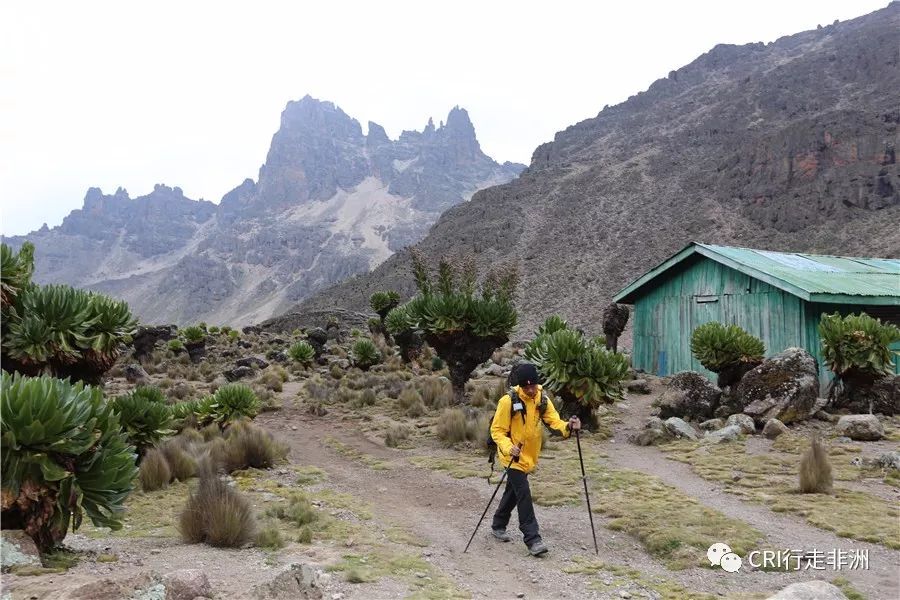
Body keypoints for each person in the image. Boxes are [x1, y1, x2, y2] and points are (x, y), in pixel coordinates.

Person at [489, 362, 580, 556]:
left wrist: (569, 427)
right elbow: (496, 431)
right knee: (523, 493)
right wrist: (508, 448)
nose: (530, 390)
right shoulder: (507, 401)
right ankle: (533, 539)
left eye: (533, 386)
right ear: (520, 385)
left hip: (530, 456)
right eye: (526, 386)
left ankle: (498, 524)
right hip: (511, 457)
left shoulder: (542, 400)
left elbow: (554, 422)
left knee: (513, 491)